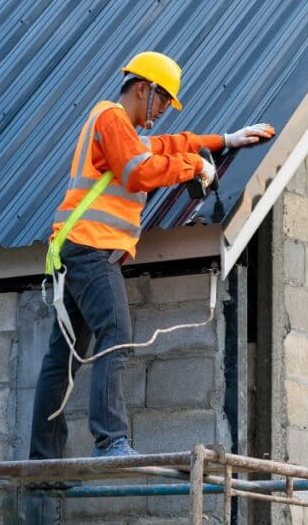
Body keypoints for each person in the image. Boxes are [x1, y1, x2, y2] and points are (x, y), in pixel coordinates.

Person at [28, 51, 274, 464]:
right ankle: (110, 441)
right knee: (117, 334)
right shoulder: (110, 118)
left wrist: (224, 141)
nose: (162, 111)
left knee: (64, 355)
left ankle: (43, 461)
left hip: (78, 249)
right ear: (143, 88)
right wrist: (193, 166)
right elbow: (139, 171)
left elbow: (169, 144)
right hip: (91, 249)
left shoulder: (121, 130)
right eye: (162, 101)